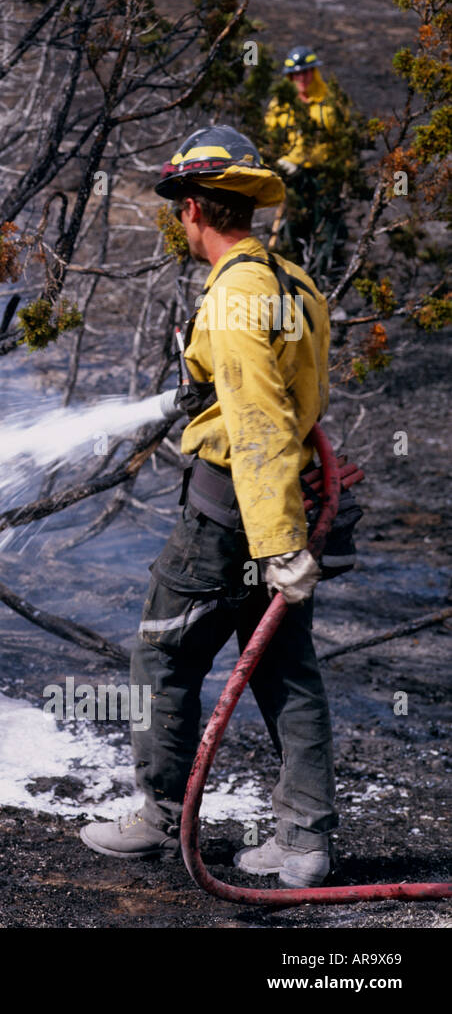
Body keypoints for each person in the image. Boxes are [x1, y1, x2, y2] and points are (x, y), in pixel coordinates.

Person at [79, 125, 337, 888]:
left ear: (194, 208)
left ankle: (159, 816)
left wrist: (276, 542)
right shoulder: (296, 283)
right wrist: (288, 535)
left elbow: (257, 422)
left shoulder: (233, 298)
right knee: (288, 675)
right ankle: (304, 841)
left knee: (162, 656)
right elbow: (293, 402)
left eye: (180, 210)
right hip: (282, 503)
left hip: (232, 513)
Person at [264, 46, 349, 278]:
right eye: (295, 74)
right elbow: (270, 137)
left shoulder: (330, 102)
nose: (301, 79)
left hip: (325, 177)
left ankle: (324, 282)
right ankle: (292, 282)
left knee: (326, 231)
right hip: (292, 177)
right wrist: (279, 162)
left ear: (314, 72)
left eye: (306, 72)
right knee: (291, 229)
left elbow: (344, 137)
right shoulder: (281, 103)